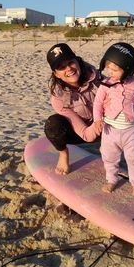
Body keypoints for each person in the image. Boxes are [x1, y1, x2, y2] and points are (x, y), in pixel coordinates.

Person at [93, 42, 134, 197]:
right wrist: (97, 119)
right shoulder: (105, 84)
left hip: (131, 130)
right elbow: (98, 103)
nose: (110, 72)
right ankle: (111, 180)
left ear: (127, 69)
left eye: (115, 69)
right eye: (108, 68)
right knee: (109, 158)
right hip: (110, 130)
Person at [45, 43, 102, 175]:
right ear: (56, 74)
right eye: (61, 67)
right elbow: (86, 135)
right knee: (53, 125)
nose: (69, 69)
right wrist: (98, 125)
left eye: (70, 62)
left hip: (106, 125)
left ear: (77, 61)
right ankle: (63, 154)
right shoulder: (58, 98)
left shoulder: (98, 78)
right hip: (81, 133)